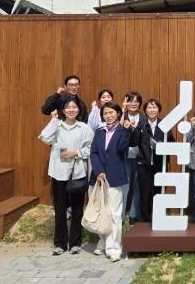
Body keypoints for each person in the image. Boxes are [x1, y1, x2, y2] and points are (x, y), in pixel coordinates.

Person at [38, 96, 93, 255]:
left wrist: (76, 152)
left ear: (79, 109)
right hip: (59, 172)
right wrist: (54, 120)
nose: (71, 110)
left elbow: (91, 148)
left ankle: (75, 242)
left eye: (74, 107)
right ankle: (60, 243)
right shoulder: (57, 126)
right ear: (63, 110)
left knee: (77, 209)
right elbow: (44, 137)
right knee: (60, 209)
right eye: (68, 107)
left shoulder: (84, 128)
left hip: (77, 172)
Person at [89, 101, 133, 262]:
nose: (108, 116)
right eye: (105, 113)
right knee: (101, 211)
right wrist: (98, 170)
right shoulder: (99, 131)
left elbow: (121, 148)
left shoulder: (123, 130)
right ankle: (103, 241)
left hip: (115, 177)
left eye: (111, 112)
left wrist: (126, 130)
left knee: (115, 213)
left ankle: (114, 247)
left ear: (118, 113)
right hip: (99, 177)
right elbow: (93, 152)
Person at [137, 98, 174, 223]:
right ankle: (145, 220)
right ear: (145, 110)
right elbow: (134, 142)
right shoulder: (141, 124)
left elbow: (171, 143)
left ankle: (159, 217)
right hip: (144, 164)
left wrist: (161, 146)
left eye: (154, 107)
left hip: (160, 164)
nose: (152, 110)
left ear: (159, 110)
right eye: (149, 107)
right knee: (145, 192)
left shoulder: (165, 125)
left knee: (159, 192)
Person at [122, 92, 146, 224]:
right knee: (124, 186)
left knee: (137, 186)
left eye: (136, 101)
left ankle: (134, 214)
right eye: (130, 101)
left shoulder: (143, 118)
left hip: (139, 157)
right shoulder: (121, 116)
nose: (133, 103)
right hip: (123, 157)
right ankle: (120, 216)